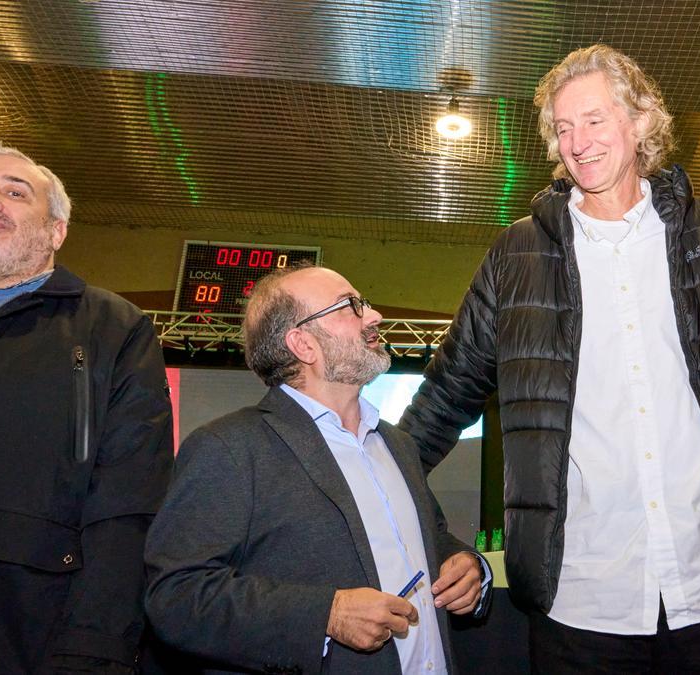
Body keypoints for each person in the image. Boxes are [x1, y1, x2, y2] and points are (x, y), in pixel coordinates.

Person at [398, 45, 700, 673]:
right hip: (581, 607)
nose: (577, 142)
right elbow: (443, 399)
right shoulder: (516, 257)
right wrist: (399, 506)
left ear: (641, 121)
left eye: (593, 119)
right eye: (563, 128)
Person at [144, 265, 490, 674]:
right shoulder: (230, 448)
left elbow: (430, 537)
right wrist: (326, 615)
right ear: (303, 344)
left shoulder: (397, 445)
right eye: (351, 307)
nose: (374, 316)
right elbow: (177, 596)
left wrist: (469, 567)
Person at [0, 141, 174, 673]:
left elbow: (128, 503)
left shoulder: (112, 329)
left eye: (14, 193)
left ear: (57, 230)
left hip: (11, 634)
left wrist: (97, 644)